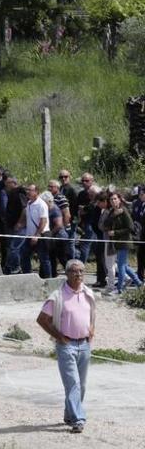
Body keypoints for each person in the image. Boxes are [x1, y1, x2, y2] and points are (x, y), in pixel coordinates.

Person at [35, 260, 95, 434]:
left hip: (84, 344)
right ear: (67, 274)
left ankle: (69, 415)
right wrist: (59, 336)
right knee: (73, 383)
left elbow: (92, 313)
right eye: (75, 272)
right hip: (66, 345)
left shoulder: (88, 293)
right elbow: (42, 319)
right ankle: (78, 419)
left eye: (82, 272)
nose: (79, 275)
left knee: (81, 385)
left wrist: (92, 329)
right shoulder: (58, 296)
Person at [104, 191, 143, 294]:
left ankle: (119, 288)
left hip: (124, 242)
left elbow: (130, 227)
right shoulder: (112, 211)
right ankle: (139, 283)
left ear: (119, 200)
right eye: (111, 199)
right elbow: (105, 224)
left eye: (115, 199)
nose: (113, 201)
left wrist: (115, 232)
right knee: (124, 266)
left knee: (121, 266)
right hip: (117, 242)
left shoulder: (124, 211)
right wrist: (112, 216)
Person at [21, 184, 51, 278]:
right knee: (24, 256)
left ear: (36, 192)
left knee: (44, 259)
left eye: (30, 190)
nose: (28, 192)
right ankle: (28, 277)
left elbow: (43, 220)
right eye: (27, 190)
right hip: (29, 235)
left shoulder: (41, 204)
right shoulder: (29, 203)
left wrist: (37, 235)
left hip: (41, 235)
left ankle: (47, 279)